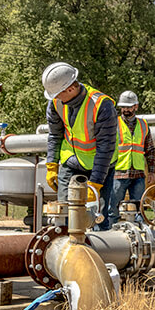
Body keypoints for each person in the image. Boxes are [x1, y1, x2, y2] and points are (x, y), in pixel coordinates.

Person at [42, 62, 118, 230]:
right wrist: (51, 165)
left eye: (58, 94)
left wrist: (95, 183)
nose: (56, 98)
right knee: (64, 213)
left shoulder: (102, 105)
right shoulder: (55, 103)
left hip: (102, 165)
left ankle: (99, 243)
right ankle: (66, 244)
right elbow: (54, 135)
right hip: (72, 161)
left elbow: (105, 147)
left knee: (98, 217)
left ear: (70, 89)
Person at [110, 90, 155, 225]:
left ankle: (140, 233)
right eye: (123, 107)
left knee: (139, 210)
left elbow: (150, 150)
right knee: (112, 209)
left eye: (129, 107)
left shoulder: (143, 125)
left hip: (138, 174)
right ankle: (109, 233)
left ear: (136, 106)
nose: (125, 110)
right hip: (118, 173)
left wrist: (152, 171)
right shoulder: (114, 124)